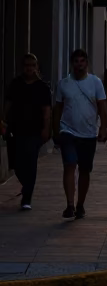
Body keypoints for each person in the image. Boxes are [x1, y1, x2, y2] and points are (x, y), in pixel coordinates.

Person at [53, 48, 107, 219]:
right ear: (72, 64)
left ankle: (80, 204)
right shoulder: (64, 84)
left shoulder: (95, 83)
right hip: (67, 130)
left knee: (85, 170)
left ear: (87, 63)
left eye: (82, 61)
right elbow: (57, 109)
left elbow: (103, 106)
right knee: (69, 164)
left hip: (88, 133)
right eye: (76, 61)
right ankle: (69, 204)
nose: (79, 65)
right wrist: (55, 130)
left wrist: (103, 128)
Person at [5, 54, 52, 210]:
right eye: (27, 65)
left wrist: (46, 129)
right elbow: (8, 104)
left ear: (37, 67)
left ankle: (27, 197)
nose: (29, 68)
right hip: (15, 129)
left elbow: (46, 110)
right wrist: (3, 123)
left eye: (32, 65)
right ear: (22, 66)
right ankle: (27, 186)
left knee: (30, 162)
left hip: (34, 131)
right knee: (17, 163)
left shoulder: (42, 87)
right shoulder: (15, 84)